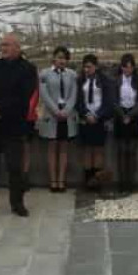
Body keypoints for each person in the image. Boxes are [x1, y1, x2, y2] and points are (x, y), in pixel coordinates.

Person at [0, 33, 38, 217]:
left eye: (7, 45)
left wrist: (0, 109)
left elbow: (23, 97)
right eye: (2, 45)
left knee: (14, 167)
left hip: (13, 125)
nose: (3, 48)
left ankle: (17, 203)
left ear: (17, 47)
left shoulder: (28, 69)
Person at [39, 46, 78, 192]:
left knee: (63, 149)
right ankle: (53, 180)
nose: (62, 61)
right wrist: (56, 111)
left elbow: (73, 94)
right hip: (51, 115)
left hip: (66, 116)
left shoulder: (72, 75)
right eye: (59, 57)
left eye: (65, 58)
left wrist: (66, 110)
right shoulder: (44, 74)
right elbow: (44, 95)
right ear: (54, 58)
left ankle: (61, 180)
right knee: (52, 148)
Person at [77, 54, 114, 191]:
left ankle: (97, 182)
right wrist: (86, 114)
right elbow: (78, 101)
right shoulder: (80, 80)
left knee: (98, 150)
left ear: (96, 67)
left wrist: (97, 115)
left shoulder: (104, 80)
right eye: (85, 67)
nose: (86, 69)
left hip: (99, 119)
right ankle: (88, 181)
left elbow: (108, 101)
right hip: (85, 118)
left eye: (89, 67)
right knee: (87, 150)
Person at [113, 53, 138, 194]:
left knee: (131, 151)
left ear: (134, 67)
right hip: (120, 117)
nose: (127, 70)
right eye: (125, 67)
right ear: (121, 67)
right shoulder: (116, 80)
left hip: (133, 117)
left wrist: (130, 115)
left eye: (130, 67)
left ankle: (131, 181)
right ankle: (122, 181)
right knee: (121, 151)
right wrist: (122, 115)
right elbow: (114, 100)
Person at [23, 67, 40, 192]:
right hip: (15, 119)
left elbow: (33, 101)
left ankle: (24, 176)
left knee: (26, 149)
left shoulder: (34, 85)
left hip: (28, 119)